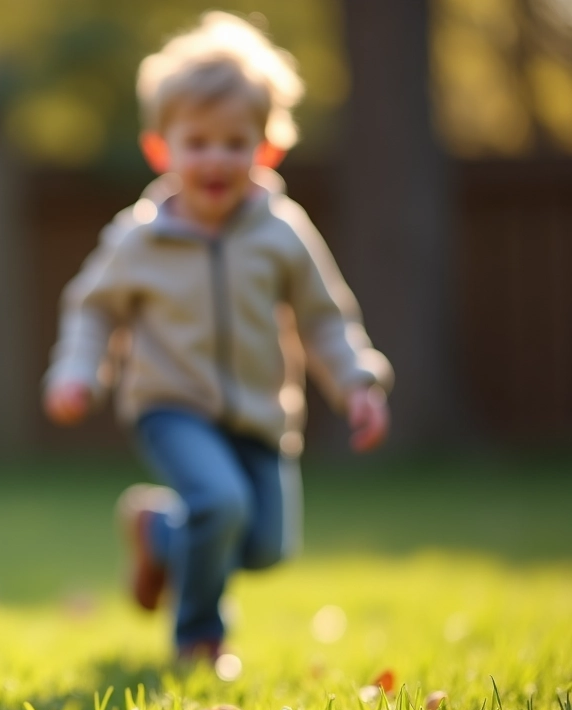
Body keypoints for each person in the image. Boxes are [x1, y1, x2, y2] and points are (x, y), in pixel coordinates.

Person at [42, 11, 393, 661]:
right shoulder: (139, 238)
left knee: (265, 548)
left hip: (261, 414)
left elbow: (323, 316)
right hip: (171, 406)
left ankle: (161, 534)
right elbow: (92, 309)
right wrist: (78, 371)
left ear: (267, 149)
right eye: (197, 142)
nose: (216, 158)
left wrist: (357, 381)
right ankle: (200, 634)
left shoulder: (281, 232)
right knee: (221, 501)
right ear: (162, 149)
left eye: (236, 142)